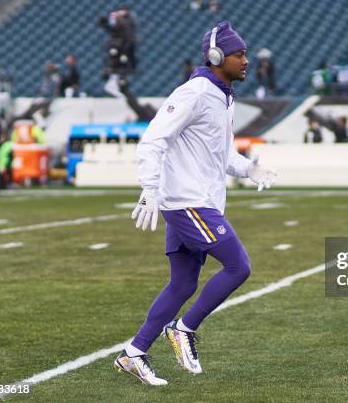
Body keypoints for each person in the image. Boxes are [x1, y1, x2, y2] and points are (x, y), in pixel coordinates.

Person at [114, 21, 278, 385]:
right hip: (188, 201)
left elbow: (221, 153)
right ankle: (184, 329)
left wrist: (249, 168)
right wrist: (149, 188)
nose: (246, 61)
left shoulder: (222, 95)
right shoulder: (196, 92)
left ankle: (133, 354)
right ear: (217, 56)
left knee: (183, 284)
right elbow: (153, 139)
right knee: (239, 266)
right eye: (239, 54)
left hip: (199, 201)